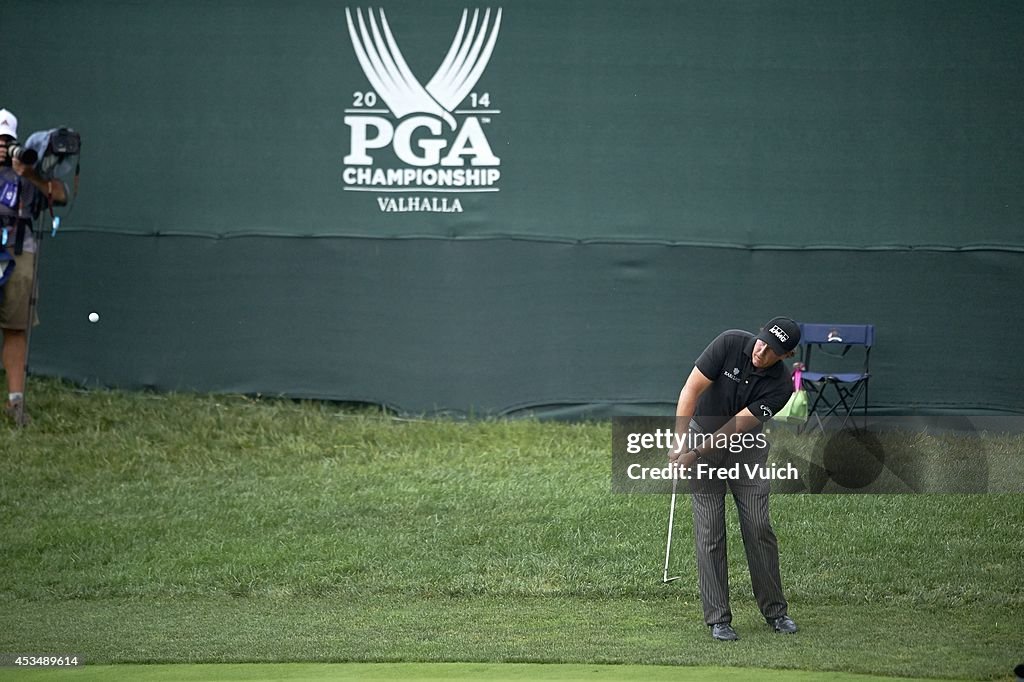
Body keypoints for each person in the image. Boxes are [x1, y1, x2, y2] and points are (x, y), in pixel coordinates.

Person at [667, 316, 801, 641]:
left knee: (758, 527)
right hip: (700, 433)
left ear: (785, 356)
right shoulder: (729, 342)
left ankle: (775, 611)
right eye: (762, 341)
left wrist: (694, 454)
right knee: (710, 530)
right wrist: (680, 440)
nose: (761, 351)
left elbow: (735, 428)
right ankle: (718, 618)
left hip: (745, 447)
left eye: (772, 350)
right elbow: (691, 389)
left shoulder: (781, 387)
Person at [0, 108, 67, 426]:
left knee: (16, 327)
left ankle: (15, 403)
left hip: (19, 251)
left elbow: (62, 195)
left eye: (7, 141)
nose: (4, 147)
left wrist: (29, 173)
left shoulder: (28, 169)